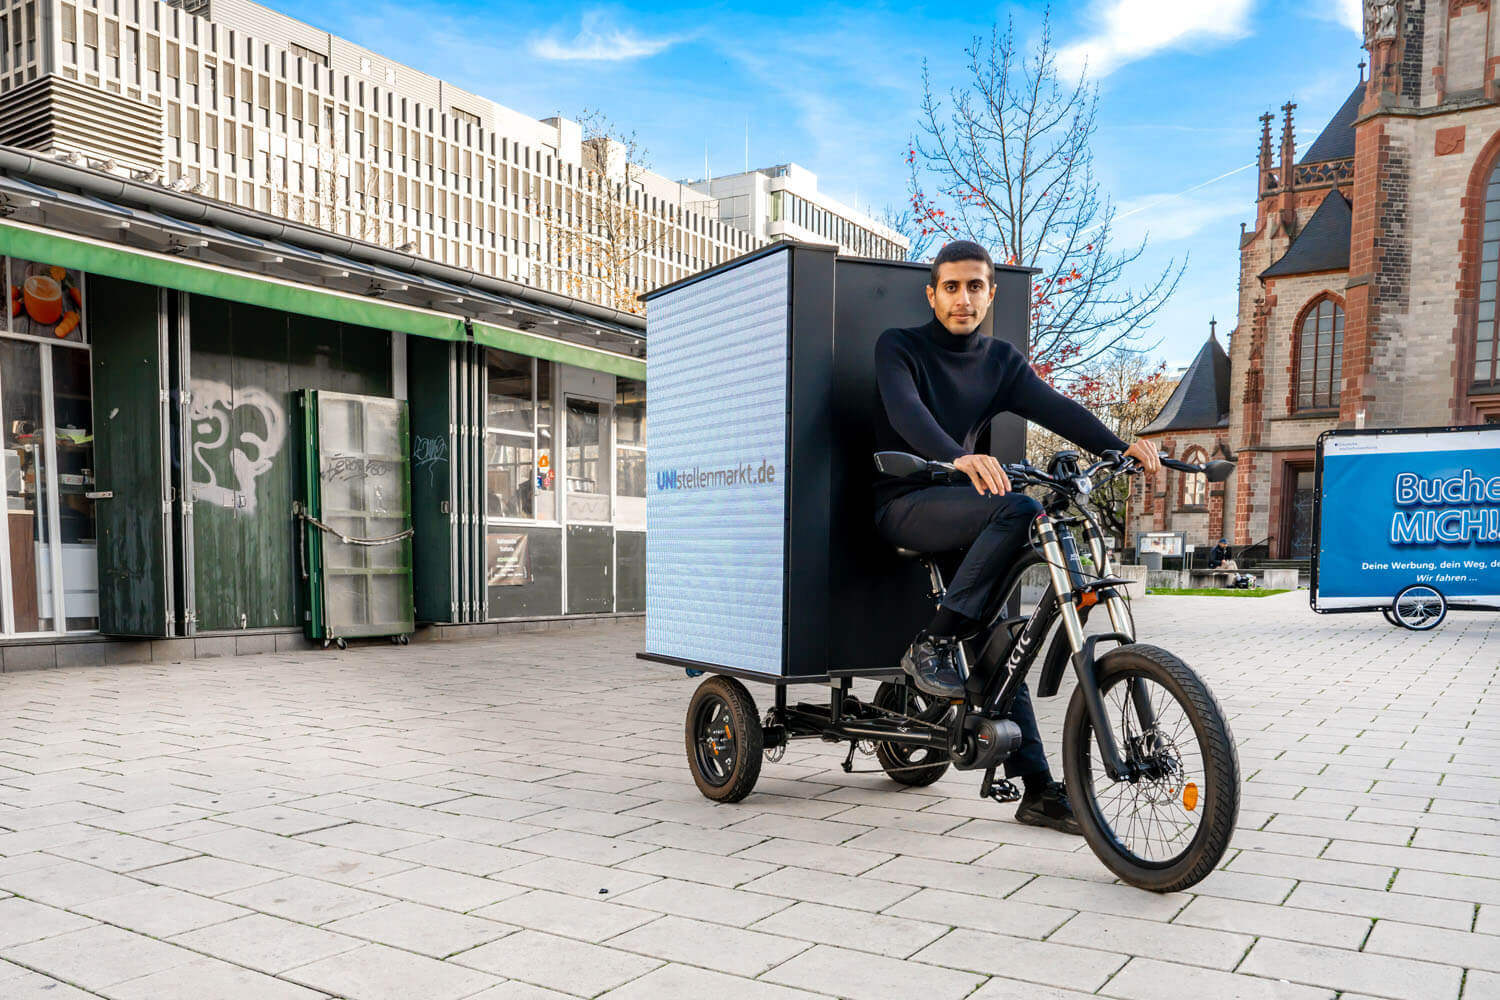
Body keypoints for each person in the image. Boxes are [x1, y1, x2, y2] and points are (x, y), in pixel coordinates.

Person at [872, 240, 1162, 834]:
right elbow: (906, 413)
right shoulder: (899, 346)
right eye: (950, 287)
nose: (963, 298)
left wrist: (1119, 447)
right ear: (933, 294)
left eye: (974, 286)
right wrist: (958, 458)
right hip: (904, 500)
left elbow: (1058, 408)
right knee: (1019, 506)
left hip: (970, 512)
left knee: (1005, 645)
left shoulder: (1000, 361)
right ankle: (931, 644)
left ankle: (1038, 792)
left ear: (990, 293)